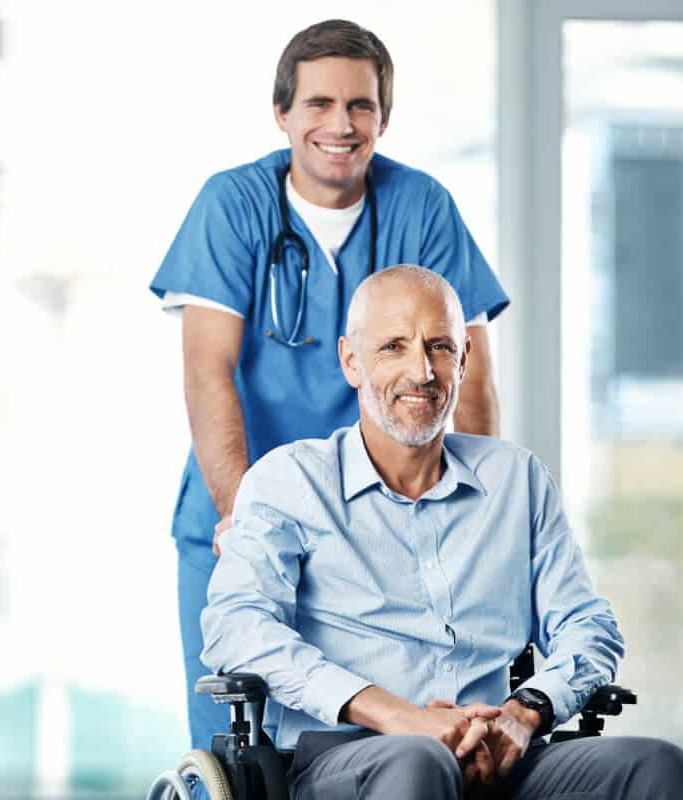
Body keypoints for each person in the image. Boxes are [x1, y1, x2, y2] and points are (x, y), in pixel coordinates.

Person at [201, 265, 683, 800]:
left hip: (498, 749)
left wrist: (528, 710)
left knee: (656, 766)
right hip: (351, 757)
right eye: (393, 346)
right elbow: (237, 628)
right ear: (351, 360)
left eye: (439, 346)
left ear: (464, 358)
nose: (421, 371)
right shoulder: (289, 481)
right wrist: (400, 718)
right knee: (419, 761)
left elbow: (588, 624)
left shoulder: (516, 479)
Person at [149, 20, 509, 750]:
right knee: (245, 748)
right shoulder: (234, 207)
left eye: (360, 106)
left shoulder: (421, 207)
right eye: (318, 104)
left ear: (383, 116)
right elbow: (207, 372)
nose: (340, 126)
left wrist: (469, 515)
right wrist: (245, 520)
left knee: (391, 743)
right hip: (240, 508)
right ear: (282, 113)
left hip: (377, 525)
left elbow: (465, 371)